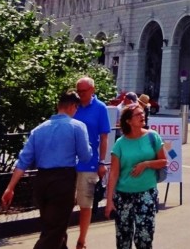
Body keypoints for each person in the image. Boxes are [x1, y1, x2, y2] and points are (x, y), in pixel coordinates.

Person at [1, 91, 92, 249]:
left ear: (58, 106)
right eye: (76, 108)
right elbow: (85, 156)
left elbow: (23, 160)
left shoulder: (39, 130)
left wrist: (10, 187)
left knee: (53, 226)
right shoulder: (77, 127)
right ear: (72, 107)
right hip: (63, 180)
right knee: (54, 230)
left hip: (41, 180)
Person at [103, 106, 166, 249]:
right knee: (123, 239)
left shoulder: (152, 136)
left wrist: (146, 164)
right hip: (123, 196)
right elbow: (113, 173)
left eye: (142, 113)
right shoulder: (120, 144)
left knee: (145, 237)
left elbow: (163, 161)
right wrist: (109, 201)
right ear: (129, 121)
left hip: (147, 194)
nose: (142, 116)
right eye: (138, 115)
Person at [73, 76, 110, 249]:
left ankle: (82, 240)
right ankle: (61, 238)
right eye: (78, 91)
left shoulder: (100, 108)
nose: (80, 94)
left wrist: (102, 162)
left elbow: (104, 138)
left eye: (83, 91)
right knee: (64, 202)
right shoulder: (73, 105)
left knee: (85, 204)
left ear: (92, 90)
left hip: (89, 163)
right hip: (68, 163)